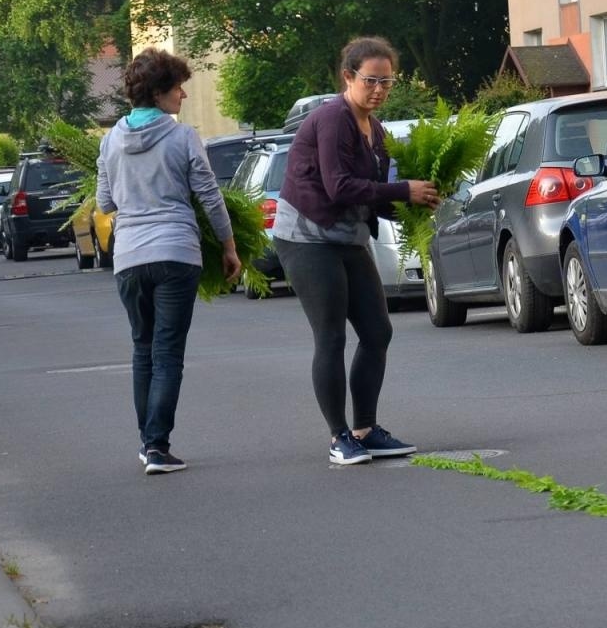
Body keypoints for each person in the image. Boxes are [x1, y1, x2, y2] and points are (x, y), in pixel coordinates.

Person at [275, 36, 441, 464]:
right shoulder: (333, 118)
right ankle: (338, 438)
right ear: (348, 76)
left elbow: (371, 197)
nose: (381, 90)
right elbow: (339, 187)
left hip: (347, 238)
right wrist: (404, 188)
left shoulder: (375, 128)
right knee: (330, 337)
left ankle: (365, 429)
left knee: (377, 331)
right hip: (307, 239)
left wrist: (415, 206)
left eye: (388, 81)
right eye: (372, 80)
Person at [97, 48, 241, 475]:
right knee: (168, 352)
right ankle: (157, 447)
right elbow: (210, 197)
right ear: (159, 92)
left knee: (143, 348)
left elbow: (105, 202)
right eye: (178, 87)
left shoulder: (110, 141)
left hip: (129, 257)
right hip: (176, 252)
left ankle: (149, 444)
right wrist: (229, 246)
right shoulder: (183, 137)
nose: (182, 95)